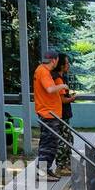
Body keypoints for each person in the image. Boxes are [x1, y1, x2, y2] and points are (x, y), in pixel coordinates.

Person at [33, 49, 70, 177]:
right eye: (57, 61)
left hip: (50, 114)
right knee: (48, 145)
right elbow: (50, 89)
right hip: (48, 114)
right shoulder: (43, 72)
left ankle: (46, 169)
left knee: (50, 144)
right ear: (54, 60)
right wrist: (63, 86)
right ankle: (42, 172)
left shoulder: (42, 70)